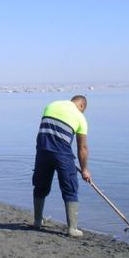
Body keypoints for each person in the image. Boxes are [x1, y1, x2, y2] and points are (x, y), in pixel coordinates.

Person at [32, 95, 91, 237]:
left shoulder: (51, 104)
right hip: (62, 153)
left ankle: (37, 221)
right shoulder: (80, 117)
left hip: (42, 149)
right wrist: (84, 170)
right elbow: (82, 148)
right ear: (81, 106)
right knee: (70, 188)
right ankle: (72, 228)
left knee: (40, 186)